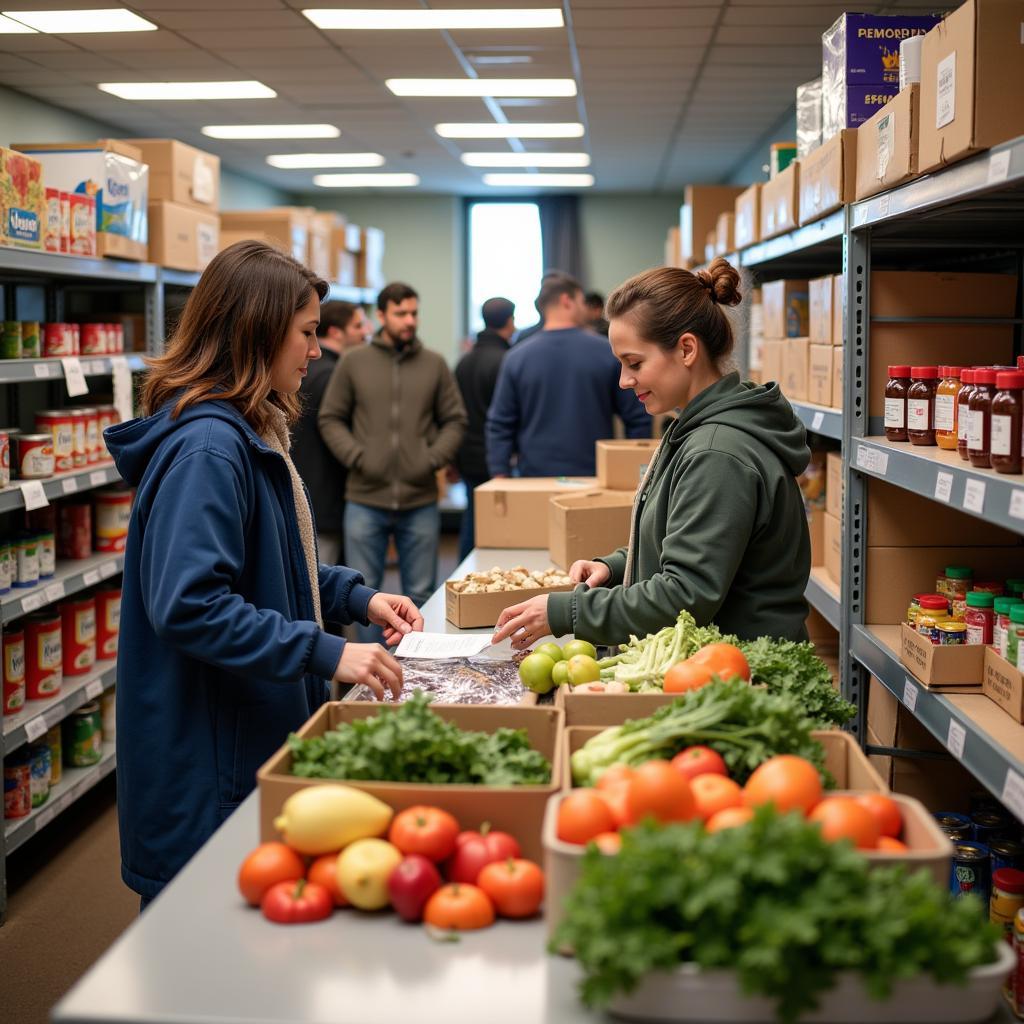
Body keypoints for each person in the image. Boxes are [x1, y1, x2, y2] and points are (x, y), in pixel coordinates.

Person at [106, 241, 423, 907]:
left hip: (238, 736)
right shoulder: (208, 449)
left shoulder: (247, 429)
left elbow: (274, 561)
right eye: (307, 333)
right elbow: (190, 604)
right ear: (256, 329)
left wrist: (357, 598)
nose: (316, 351)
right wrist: (325, 649)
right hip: (207, 759)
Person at [491, 258, 811, 649]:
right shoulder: (692, 430)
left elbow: (684, 595)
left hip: (743, 676)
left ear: (687, 349)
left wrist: (566, 612)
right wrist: (613, 568)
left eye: (634, 363)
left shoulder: (718, 453)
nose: (624, 381)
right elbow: (684, 541)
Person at [319, 282, 467, 642]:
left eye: (414, 313)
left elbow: (455, 420)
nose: (409, 320)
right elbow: (331, 417)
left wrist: (431, 459)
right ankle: (371, 681)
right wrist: (357, 457)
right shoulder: (355, 361)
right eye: (401, 313)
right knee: (364, 597)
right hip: (365, 498)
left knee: (421, 594)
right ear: (382, 316)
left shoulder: (433, 363)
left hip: (419, 501)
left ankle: (413, 676)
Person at [486, 272, 651, 478]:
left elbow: (500, 424)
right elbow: (637, 418)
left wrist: (500, 473)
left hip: (533, 481)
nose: (585, 308)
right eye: (581, 301)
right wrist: (631, 472)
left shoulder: (516, 358)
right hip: (596, 478)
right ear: (567, 301)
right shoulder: (606, 352)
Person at [292, 300, 373, 565]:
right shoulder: (334, 375)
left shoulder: (304, 372)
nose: (366, 331)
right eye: (358, 325)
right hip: (326, 493)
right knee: (320, 576)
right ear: (337, 332)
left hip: (307, 486)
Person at [454, 296, 515, 560]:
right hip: (498, 458)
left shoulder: (464, 361)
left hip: (468, 454)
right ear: (510, 322)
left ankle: (463, 577)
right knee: (498, 531)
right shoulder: (507, 361)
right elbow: (507, 415)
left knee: (471, 523)